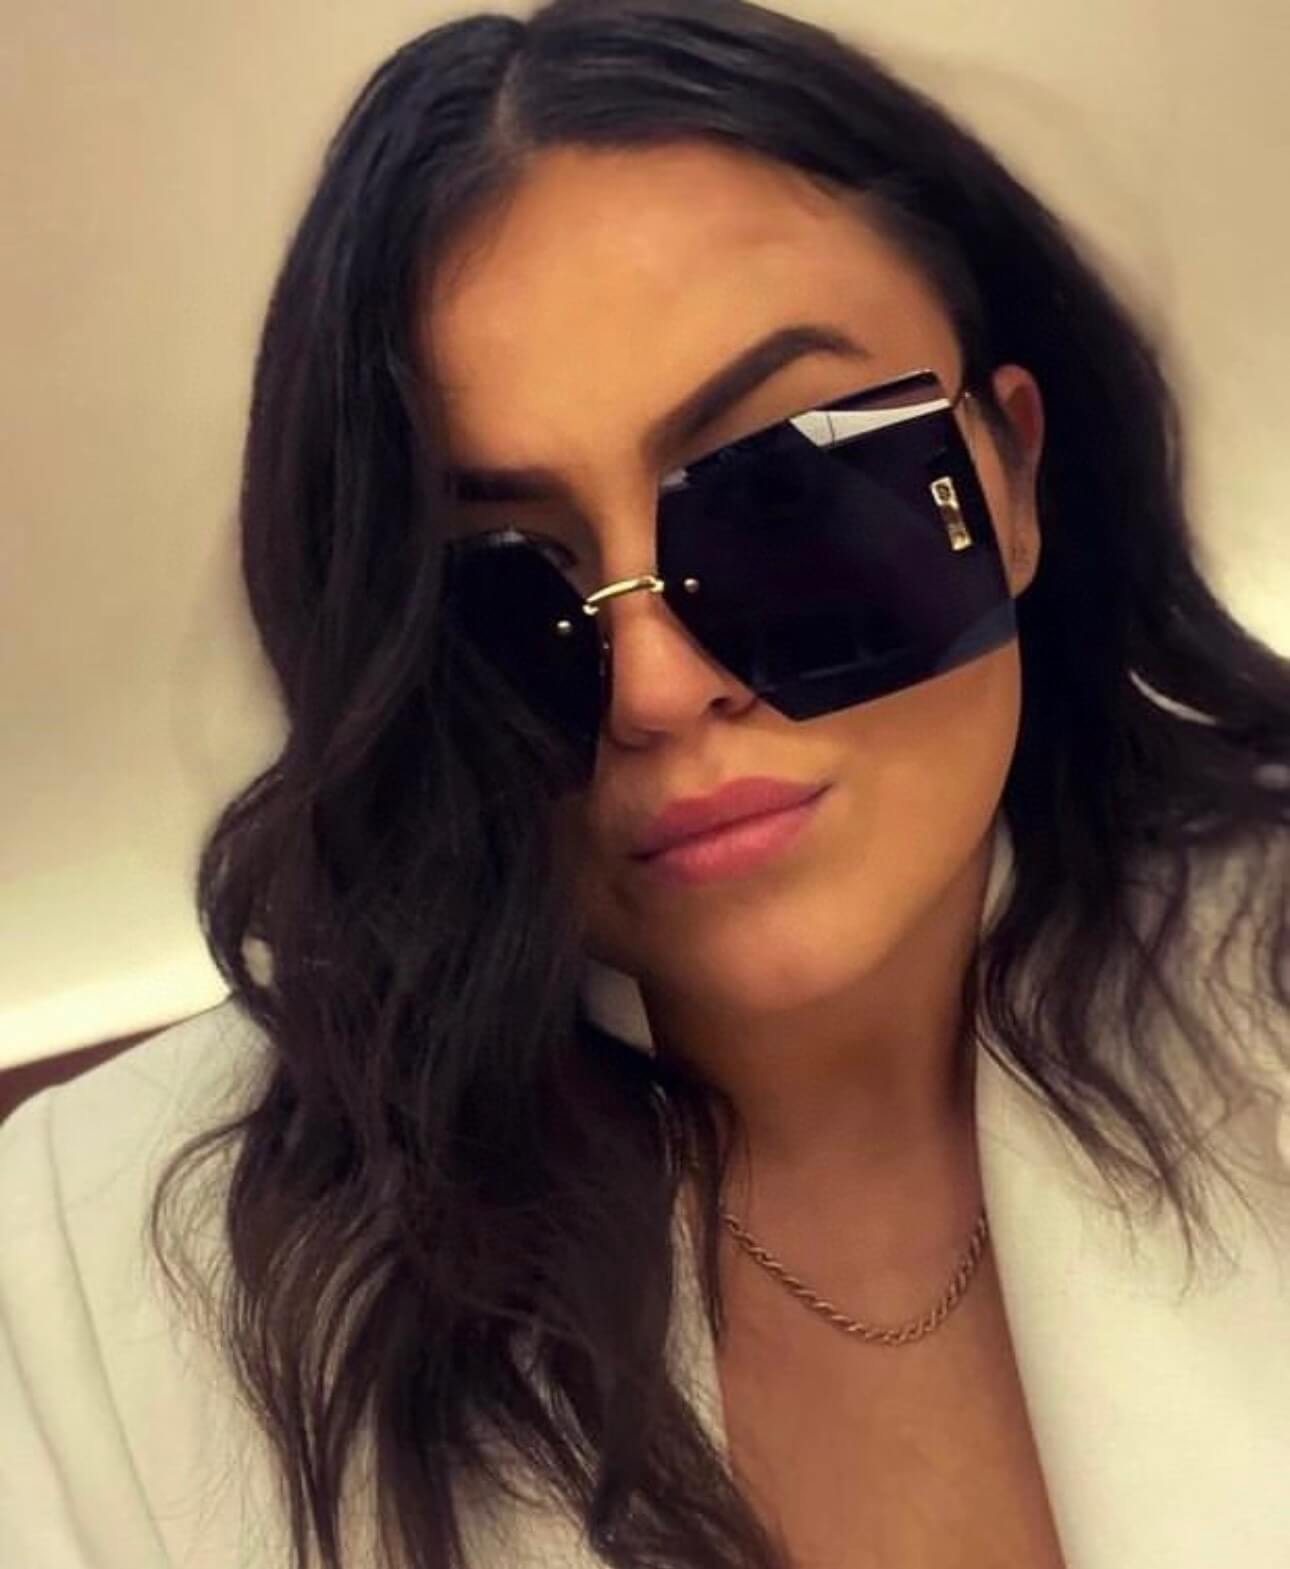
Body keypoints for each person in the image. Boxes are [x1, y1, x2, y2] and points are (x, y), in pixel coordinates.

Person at [3, 0, 1290, 1565]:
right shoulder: (88, 1289)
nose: (659, 686)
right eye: (504, 589)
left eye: (788, 503)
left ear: (1006, 477)